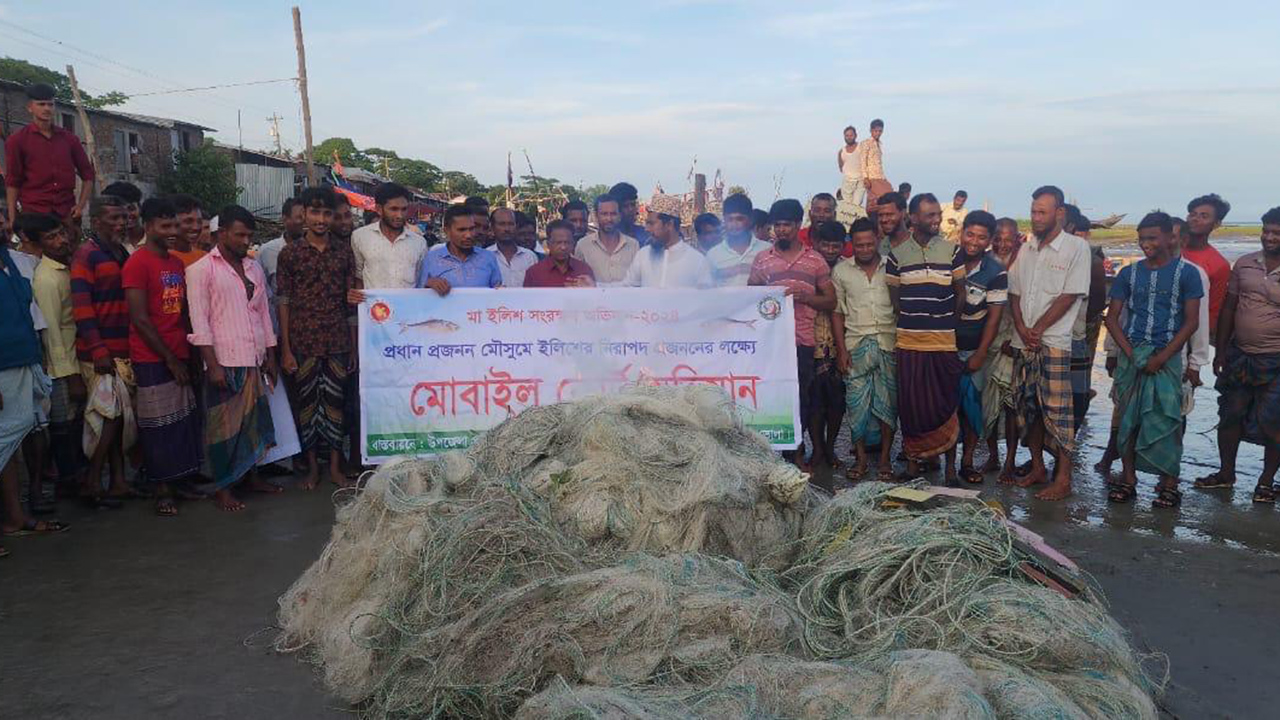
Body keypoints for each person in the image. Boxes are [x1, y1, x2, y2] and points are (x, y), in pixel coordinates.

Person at [1104, 212, 1202, 508]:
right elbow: (1112, 319)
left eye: (1152, 238)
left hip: (1168, 358)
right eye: (1141, 238)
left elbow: (1191, 322)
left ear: (1169, 238)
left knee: (1167, 419)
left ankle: (1169, 482)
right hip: (1132, 355)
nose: (1145, 244)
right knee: (1129, 419)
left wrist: (1162, 358)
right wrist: (1130, 354)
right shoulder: (1128, 274)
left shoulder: (1187, 273)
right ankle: (1129, 477)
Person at [185, 205, 279, 511]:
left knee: (253, 424)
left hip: (254, 356)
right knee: (223, 430)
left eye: (249, 236)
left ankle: (251, 477)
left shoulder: (253, 268)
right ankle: (223, 488)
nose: (245, 241)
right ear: (221, 233)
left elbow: (264, 313)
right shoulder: (201, 270)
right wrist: (212, 365)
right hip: (224, 359)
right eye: (240, 235)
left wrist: (271, 353)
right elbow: (199, 322)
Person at [1006, 185, 1092, 501]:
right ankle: (1039, 466)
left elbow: (1070, 294)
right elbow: (1013, 292)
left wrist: (1038, 328)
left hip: (1053, 341)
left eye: (1042, 212)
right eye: (1033, 211)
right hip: (1023, 340)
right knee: (1028, 407)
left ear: (1059, 213)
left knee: (1058, 411)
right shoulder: (1028, 248)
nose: (1036, 218)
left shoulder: (1075, 248)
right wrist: (1021, 327)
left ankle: (1064, 477)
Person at [121, 197, 203, 517]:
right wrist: (169, 358)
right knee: (158, 426)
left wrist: (190, 353)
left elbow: (181, 311)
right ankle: (162, 488)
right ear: (148, 226)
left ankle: (182, 481)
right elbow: (140, 318)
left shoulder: (175, 263)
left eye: (175, 225)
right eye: (165, 226)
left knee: (183, 422)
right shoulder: (137, 263)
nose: (172, 232)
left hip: (179, 351)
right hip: (153, 358)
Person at [1194, 207, 1280, 502]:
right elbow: (1229, 307)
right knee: (1230, 415)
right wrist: (1221, 350)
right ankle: (1225, 473)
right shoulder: (1244, 264)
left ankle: (1266, 481)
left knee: (1274, 422)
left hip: (1276, 359)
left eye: (1276, 233)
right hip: (1239, 355)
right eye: (1266, 231)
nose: (1269, 237)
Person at [276, 187, 357, 491]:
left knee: (336, 405)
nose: (322, 219)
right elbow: (283, 301)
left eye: (327, 214)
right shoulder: (290, 253)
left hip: (337, 340)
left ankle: (335, 467)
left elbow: (350, 303)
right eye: (315, 213)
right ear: (304, 214)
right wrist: (286, 348)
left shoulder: (343, 252)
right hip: (303, 342)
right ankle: (312, 468)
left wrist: (352, 345)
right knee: (307, 406)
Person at [749, 198, 835, 472]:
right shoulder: (763, 260)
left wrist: (808, 297)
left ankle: (798, 453)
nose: (782, 230)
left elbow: (831, 301)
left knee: (802, 399)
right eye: (777, 226)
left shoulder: (815, 261)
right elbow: (748, 296)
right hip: (771, 344)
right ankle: (775, 456)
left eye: (787, 225)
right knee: (773, 398)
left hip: (802, 341)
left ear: (799, 225)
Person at [885, 193, 966, 479]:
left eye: (937, 215)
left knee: (946, 402)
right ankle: (913, 464)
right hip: (909, 343)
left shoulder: (952, 251)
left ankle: (951, 469)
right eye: (930, 216)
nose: (936, 221)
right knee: (912, 405)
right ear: (913, 218)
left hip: (943, 343)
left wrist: (946, 324)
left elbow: (961, 293)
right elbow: (896, 301)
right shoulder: (897, 256)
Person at [1, 232, 69, 545]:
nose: (2, 221)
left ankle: (16, 518)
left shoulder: (14, 262)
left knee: (12, 441)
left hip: (23, 361)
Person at [71, 194, 134, 507]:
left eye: (124, 218)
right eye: (115, 219)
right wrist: (98, 350)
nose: (122, 224)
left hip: (123, 346)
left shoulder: (119, 251)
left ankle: (118, 481)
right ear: (96, 222)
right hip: (100, 351)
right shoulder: (86, 255)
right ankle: (93, 479)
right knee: (110, 416)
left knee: (120, 418)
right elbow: (82, 309)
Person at [833, 217, 897, 483]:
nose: (865, 249)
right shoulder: (841, 271)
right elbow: (837, 313)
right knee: (856, 406)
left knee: (888, 406)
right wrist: (841, 350)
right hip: (855, 345)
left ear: (878, 241)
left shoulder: (892, 266)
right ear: (852, 244)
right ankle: (860, 459)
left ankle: (884, 459)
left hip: (888, 344)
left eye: (870, 243)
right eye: (859, 245)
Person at [29, 214, 85, 509]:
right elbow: (50, 331)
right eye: (51, 237)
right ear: (39, 244)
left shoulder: (67, 268)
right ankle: (68, 480)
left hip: (75, 355)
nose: (61, 240)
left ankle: (75, 476)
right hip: (61, 366)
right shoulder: (47, 279)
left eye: (61, 234)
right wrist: (70, 374)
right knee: (63, 426)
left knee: (75, 424)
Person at [951, 211, 1007, 484]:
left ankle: (967, 461)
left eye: (981, 237)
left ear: (989, 240)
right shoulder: (949, 260)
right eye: (970, 234)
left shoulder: (995, 271)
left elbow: (994, 317)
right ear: (962, 233)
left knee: (973, 410)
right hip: (945, 348)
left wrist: (980, 354)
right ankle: (947, 462)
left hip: (975, 351)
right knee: (947, 409)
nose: (974, 241)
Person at [4, 83, 95, 228]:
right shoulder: (17, 140)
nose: (47, 108)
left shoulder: (69, 139)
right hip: (34, 212)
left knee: (67, 249)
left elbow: (88, 175)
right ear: (30, 107)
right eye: (41, 104)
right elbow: (13, 181)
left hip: (66, 212)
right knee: (34, 250)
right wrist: (13, 219)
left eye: (50, 104)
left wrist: (80, 206)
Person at [12, 214, 52, 514]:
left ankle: (35, 491)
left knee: (36, 428)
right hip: (8, 359)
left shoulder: (21, 262)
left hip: (30, 352)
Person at [810, 221, 850, 472]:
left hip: (841, 344)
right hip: (811, 342)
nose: (831, 249)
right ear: (816, 243)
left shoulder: (847, 270)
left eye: (836, 245)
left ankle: (831, 446)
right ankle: (817, 449)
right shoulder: (808, 266)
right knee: (814, 402)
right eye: (826, 244)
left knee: (836, 403)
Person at [987, 217, 1023, 480]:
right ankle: (992, 456)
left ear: (1017, 238)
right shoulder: (984, 262)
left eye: (1008, 239)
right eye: (997, 237)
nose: (1002, 243)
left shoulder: (1025, 263)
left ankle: (1010, 460)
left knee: (1011, 406)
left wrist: (1016, 338)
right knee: (987, 404)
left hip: (1014, 342)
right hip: (988, 342)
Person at [350, 183, 427, 296]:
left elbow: (421, 280)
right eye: (393, 209)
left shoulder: (419, 242)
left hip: (409, 309)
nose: (400, 215)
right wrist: (361, 307)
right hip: (375, 310)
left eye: (404, 209)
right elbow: (358, 276)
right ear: (379, 209)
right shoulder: (360, 236)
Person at [624, 194, 714, 289]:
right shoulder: (643, 255)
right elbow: (626, 289)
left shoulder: (697, 261)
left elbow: (705, 299)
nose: (646, 229)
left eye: (651, 224)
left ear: (669, 225)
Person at [1181, 193, 1232, 339]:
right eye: (1192, 214)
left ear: (1216, 224)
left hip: (1190, 336)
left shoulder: (1219, 264)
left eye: (1204, 216)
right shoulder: (1167, 250)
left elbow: (1213, 310)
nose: (1195, 219)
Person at [418, 204, 502, 291]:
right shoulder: (432, 259)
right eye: (462, 230)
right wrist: (429, 283)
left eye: (472, 229)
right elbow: (418, 295)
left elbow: (497, 295)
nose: (468, 235)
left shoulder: (488, 258)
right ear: (447, 231)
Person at [706, 193, 771, 287]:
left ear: (750, 220)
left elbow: (776, 286)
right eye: (730, 219)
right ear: (724, 220)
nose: (734, 224)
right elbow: (707, 291)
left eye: (739, 219)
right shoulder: (713, 255)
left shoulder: (767, 250)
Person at [574, 194, 639, 287]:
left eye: (613, 214)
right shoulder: (583, 245)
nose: (609, 219)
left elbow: (636, 282)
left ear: (619, 215)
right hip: (594, 301)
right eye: (604, 214)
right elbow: (579, 281)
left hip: (625, 301)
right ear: (596, 216)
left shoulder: (633, 245)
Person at [524, 220, 595, 288]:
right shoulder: (534, 273)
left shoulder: (584, 270)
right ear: (548, 244)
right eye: (558, 243)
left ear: (573, 243)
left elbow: (592, 297)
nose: (563, 247)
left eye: (567, 242)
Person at [256, 198, 305, 296]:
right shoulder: (267, 251)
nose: (303, 222)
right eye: (299, 217)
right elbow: (261, 289)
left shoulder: (317, 251)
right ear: (285, 219)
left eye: (306, 217)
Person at [490, 207, 538, 287]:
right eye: (502, 224)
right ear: (492, 227)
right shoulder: (485, 256)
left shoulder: (530, 257)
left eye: (511, 224)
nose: (507, 229)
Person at [102, 182, 145, 253]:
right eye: (119, 211)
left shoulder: (157, 240)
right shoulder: (105, 247)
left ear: (140, 208)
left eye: (131, 209)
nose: (127, 215)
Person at [169, 194, 207, 268]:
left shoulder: (205, 258)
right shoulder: (160, 258)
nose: (196, 227)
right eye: (188, 221)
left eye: (199, 222)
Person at [610, 181, 652, 246]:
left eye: (633, 205)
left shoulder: (646, 235)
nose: (631, 209)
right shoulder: (607, 238)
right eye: (625, 206)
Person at [862, 119, 891, 208]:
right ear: (871, 130)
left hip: (880, 176)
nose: (878, 133)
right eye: (876, 131)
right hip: (872, 177)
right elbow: (863, 160)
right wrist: (865, 178)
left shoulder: (879, 144)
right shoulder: (866, 143)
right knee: (879, 199)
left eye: (880, 131)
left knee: (885, 196)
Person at [873, 191, 911, 256]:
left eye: (889, 214)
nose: (884, 220)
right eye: (880, 215)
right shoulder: (877, 249)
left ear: (903, 213)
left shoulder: (920, 244)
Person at [837, 125, 865, 210]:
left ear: (855, 136)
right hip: (847, 182)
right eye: (847, 135)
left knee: (856, 206)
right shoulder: (842, 151)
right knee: (846, 207)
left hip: (860, 181)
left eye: (851, 135)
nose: (849, 137)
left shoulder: (861, 147)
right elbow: (841, 166)